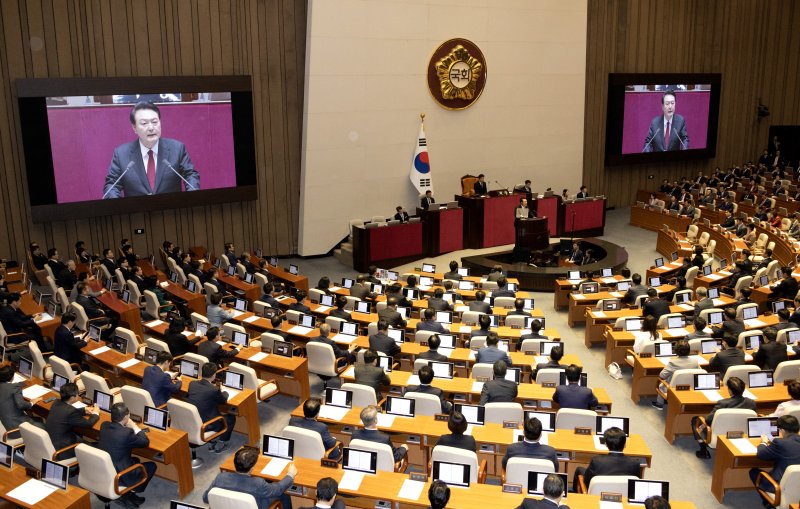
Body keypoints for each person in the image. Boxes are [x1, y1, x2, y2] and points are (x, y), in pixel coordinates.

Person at [103, 102, 200, 198]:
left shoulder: (177, 148)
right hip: (137, 212)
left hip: (171, 211)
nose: (151, 128)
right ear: (134, 128)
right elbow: (112, 185)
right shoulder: (121, 154)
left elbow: (190, 175)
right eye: (144, 123)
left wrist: (191, 199)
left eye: (154, 122)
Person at [97, 403, 156, 508]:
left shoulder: (104, 425)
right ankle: (129, 492)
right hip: (120, 474)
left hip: (105, 468)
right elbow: (145, 442)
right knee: (152, 466)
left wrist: (125, 426)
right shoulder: (126, 433)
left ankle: (126, 492)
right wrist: (134, 426)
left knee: (136, 459)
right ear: (126, 417)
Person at [203, 446, 297, 509]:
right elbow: (278, 489)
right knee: (284, 495)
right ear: (252, 469)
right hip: (257, 505)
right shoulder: (258, 484)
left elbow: (206, 498)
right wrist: (290, 475)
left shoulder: (221, 477)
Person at [693, 377, 756, 458]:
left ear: (729, 390)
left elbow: (708, 420)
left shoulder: (722, 403)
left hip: (720, 436)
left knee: (696, 420)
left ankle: (703, 451)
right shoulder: (751, 403)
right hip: (741, 435)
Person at [749, 414, 800, 505]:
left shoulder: (779, 443)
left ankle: (769, 503)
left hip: (780, 487)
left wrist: (764, 442)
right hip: (797, 485)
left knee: (753, 472)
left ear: (782, 430)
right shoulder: (782, 443)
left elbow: (761, 455)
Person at [187, 362, 236, 453]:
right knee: (231, 417)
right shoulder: (213, 389)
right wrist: (224, 391)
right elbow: (223, 400)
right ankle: (223, 442)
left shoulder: (192, 384)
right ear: (214, 375)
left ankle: (212, 440)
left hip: (193, 420)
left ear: (201, 373)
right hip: (207, 424)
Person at [573, 427, 641, 492]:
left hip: (597, 495)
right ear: (625, 444)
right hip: (624, 495)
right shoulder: (635, 463)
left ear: (606, 444)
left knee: (579, 469)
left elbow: (586, 480)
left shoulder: (597, 461)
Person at [45, 382, 99, 458]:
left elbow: (67, 412)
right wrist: (96, 413)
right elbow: (88, 424)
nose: (78, 396)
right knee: (93, 448)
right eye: (77, 394)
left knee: (82, 440)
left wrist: (84, 409)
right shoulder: (70, 412)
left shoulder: (56, 403)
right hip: (62, 448)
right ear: (72, 397)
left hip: (52, 440)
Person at [652, 340, 698, 410]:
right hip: (690, 387)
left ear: (675, 351)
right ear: (689, 351)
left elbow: (662, 375)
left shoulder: (673, 362)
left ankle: (659, 404)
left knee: (662, 384)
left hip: (673, 388)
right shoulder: (695, 362)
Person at [0, 364, 43, 432]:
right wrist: (32, 402)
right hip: (15, 428)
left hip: (6, 424)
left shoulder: (4, 386)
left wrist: (21, 384)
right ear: (12, 377)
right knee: (42, 425)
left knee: (38, 419)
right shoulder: (15, 387)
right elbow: (21, 405)